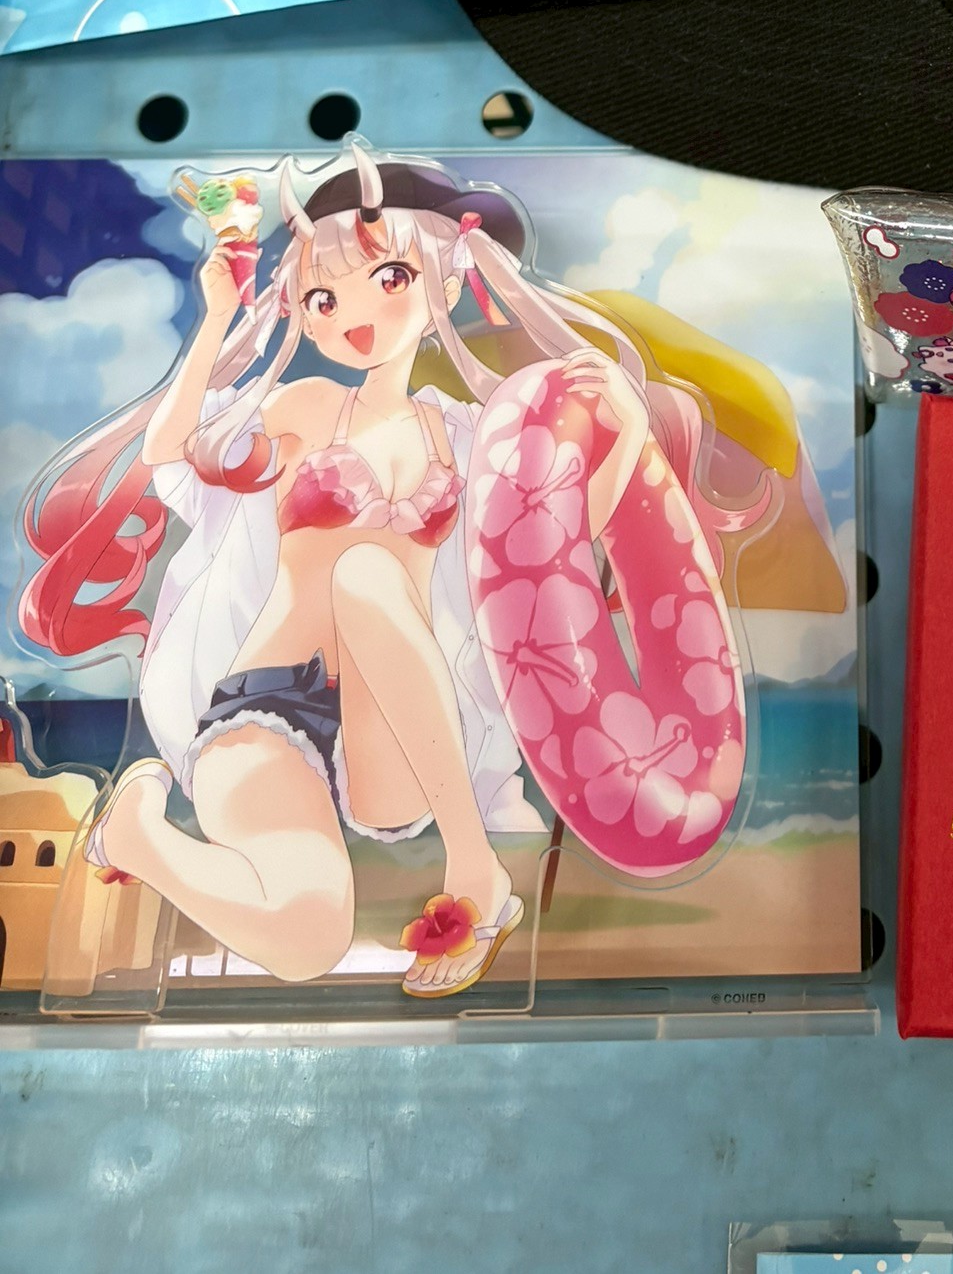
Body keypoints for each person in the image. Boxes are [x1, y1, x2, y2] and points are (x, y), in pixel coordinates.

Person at [18, 147, 778, 998]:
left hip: (397, 736)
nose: (354, 315)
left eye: (389, 277)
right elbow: (171, 460)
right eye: (322, 297)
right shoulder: (302, 407)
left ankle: (472, 863)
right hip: (266, 705)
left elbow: (569, 541)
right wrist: (218, 317)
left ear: (445, 279)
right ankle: (136, 836)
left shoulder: (473, 436)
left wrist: (624, 425)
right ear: (300, 314)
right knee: (307, 941)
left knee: (366, 576)